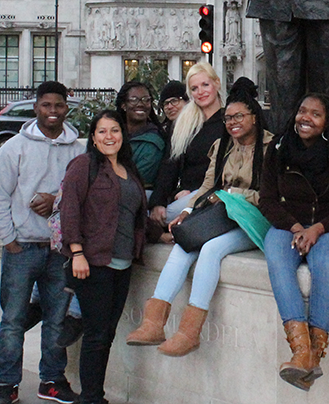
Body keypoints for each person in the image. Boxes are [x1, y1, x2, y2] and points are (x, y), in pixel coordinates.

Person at [125, 77, 273, 356]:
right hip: (221, 214)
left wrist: (233, 195)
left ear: (254, 117)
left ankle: (189, 331)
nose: (232, 122)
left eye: (239, 116)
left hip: (252, 219)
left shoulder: (271, 148)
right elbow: (207, 187)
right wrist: (188, 211)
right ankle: (154, 321)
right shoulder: (221, 146)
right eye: (228, 118)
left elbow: (270, 195)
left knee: (210, 250)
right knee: (183, 243)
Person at [0, 81, 83, 404]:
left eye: (58, 106)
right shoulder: (15, 147)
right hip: (22, 247)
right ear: (36, 107)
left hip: (59, 250)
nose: (52, 112)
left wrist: (56, 200)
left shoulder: (78, 149)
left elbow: (81, 194)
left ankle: (52, 379)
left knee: (56, 319)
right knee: (13, 320)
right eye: (46, 105)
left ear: (66, 108)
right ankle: (6, 384)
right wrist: (10, 239)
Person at [259, 93, 329, 390]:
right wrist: (295, 226)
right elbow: (267, 200)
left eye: (315, 114)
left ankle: (314, 353)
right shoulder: (278, 148)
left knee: (325, 266)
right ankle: (302, 353)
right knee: (277, 260)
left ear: (327, 121)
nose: (306, 118)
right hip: (286, 225)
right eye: (302, 111)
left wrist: (317, 229)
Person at [59, 110, 148, 404]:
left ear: (123, 135)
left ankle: (94, 395)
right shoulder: (83, 165)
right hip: (93, 262)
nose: (109, 137)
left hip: (123, 263)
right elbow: (69, 209)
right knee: (97, 334)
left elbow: (132, 215)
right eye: (102, 131)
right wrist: (77, 252)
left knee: (106, 333)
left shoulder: (128, 168)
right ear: (93, 138)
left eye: (115, 131)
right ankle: (92, 398)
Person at [246, 0, 329, 134]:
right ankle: (284, 150)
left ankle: (327, 152)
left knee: (325, 100)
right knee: (284, 98)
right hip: (278, 0)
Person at [148, 62, 226, 237]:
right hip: (182, 194)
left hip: (210, 194)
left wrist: (192, 192)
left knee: (144, 218)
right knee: (139, 206)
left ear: (217, 84)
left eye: (205, 85)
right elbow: (169, 165)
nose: (201, 92)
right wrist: (158, 201)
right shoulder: (184, 123)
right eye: (195, 88)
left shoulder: (228, 122)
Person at [115, 81, 167, 188]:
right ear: (123, 105)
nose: (140, 104)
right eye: (134, 100)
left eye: (146, 100)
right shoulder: (113, 134)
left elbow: (134, 181)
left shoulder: (153, 143)